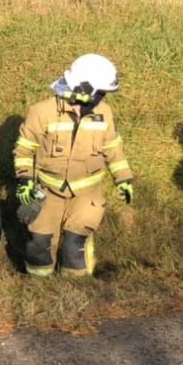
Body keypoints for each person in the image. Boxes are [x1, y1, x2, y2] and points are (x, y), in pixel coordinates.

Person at [13, 54, 134, 277]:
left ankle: (77, 288)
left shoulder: (104, 114)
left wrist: (124, 179)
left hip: (87, 193)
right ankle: (39, 287)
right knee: (39, 244)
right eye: (100, 92)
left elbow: (113, 148)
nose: (103, 97)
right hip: (48, 191)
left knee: (75, 244)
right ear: (83, 87)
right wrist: (25, 180)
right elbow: (24, 149)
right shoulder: (42, 112)